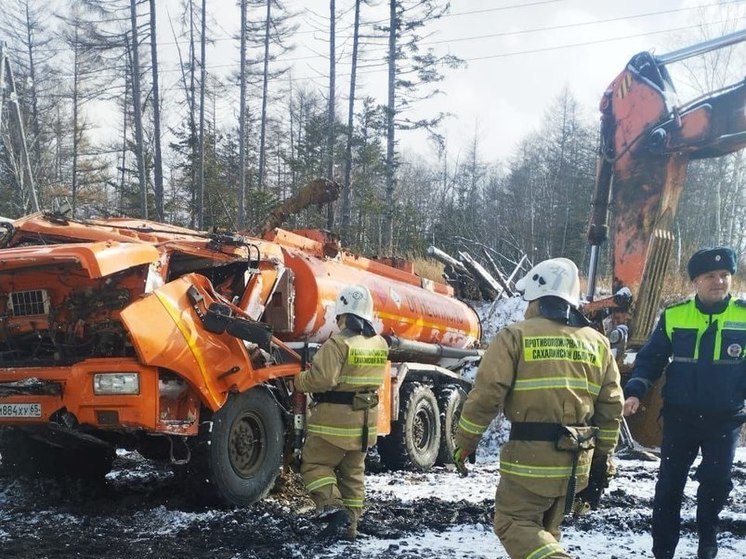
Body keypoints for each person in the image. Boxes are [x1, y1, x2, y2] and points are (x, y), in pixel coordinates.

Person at [453, 257, 624, 559]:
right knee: (546, 534)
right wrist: (600, 462)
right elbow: (611, 408)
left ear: (536, 296)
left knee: (513, 523)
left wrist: (465, 442)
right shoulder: (597, 343)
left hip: (530, 460)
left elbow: (486, 396)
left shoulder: (515, 336)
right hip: (577, 462)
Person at [623, 246, 746, 559]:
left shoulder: (744, 316)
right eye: (710, 276)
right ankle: (663, 550)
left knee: (716, 483)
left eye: (724, 275)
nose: (718, 281)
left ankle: (707, 540)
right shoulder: (675, 315)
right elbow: (651, 358)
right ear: (695, 281)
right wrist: (635, 390)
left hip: (725, 419)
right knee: (668, 488)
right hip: (680, 419)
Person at [294, 284, 389, 542]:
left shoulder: (338, 343)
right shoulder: (379, 344)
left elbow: (321, 380)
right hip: (364, 424)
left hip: (333, 423)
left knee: (315, 465)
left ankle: (332, 507)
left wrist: (299, 380)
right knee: (353, 476)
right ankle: (351, 526)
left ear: (344, 315)